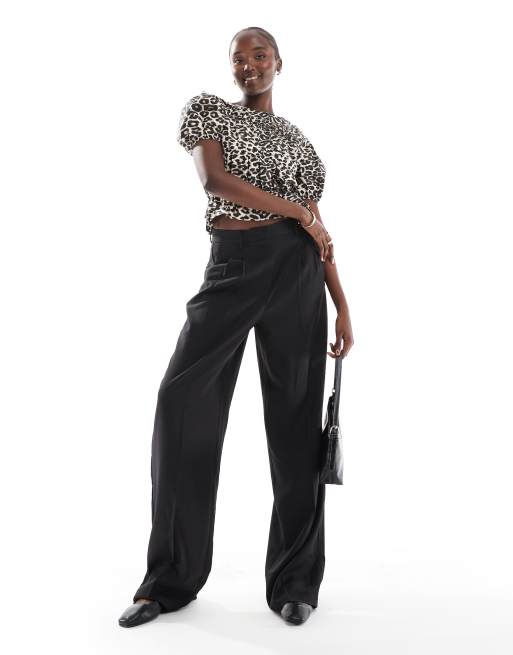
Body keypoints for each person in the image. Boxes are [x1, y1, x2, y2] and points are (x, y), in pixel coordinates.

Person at [118, 26, 354, 629]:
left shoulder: (298, 142)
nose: (250, 65)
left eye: (260, 55)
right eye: (239, 58)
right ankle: (169, 581)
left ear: (279, 63)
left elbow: (318, 229)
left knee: (297, 423)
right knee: (181, 404)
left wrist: (342, 301)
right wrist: (297, 211)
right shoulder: (209, 112)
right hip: (234, 263)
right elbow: (215, 182)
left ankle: (296, 582)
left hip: (298, 273)